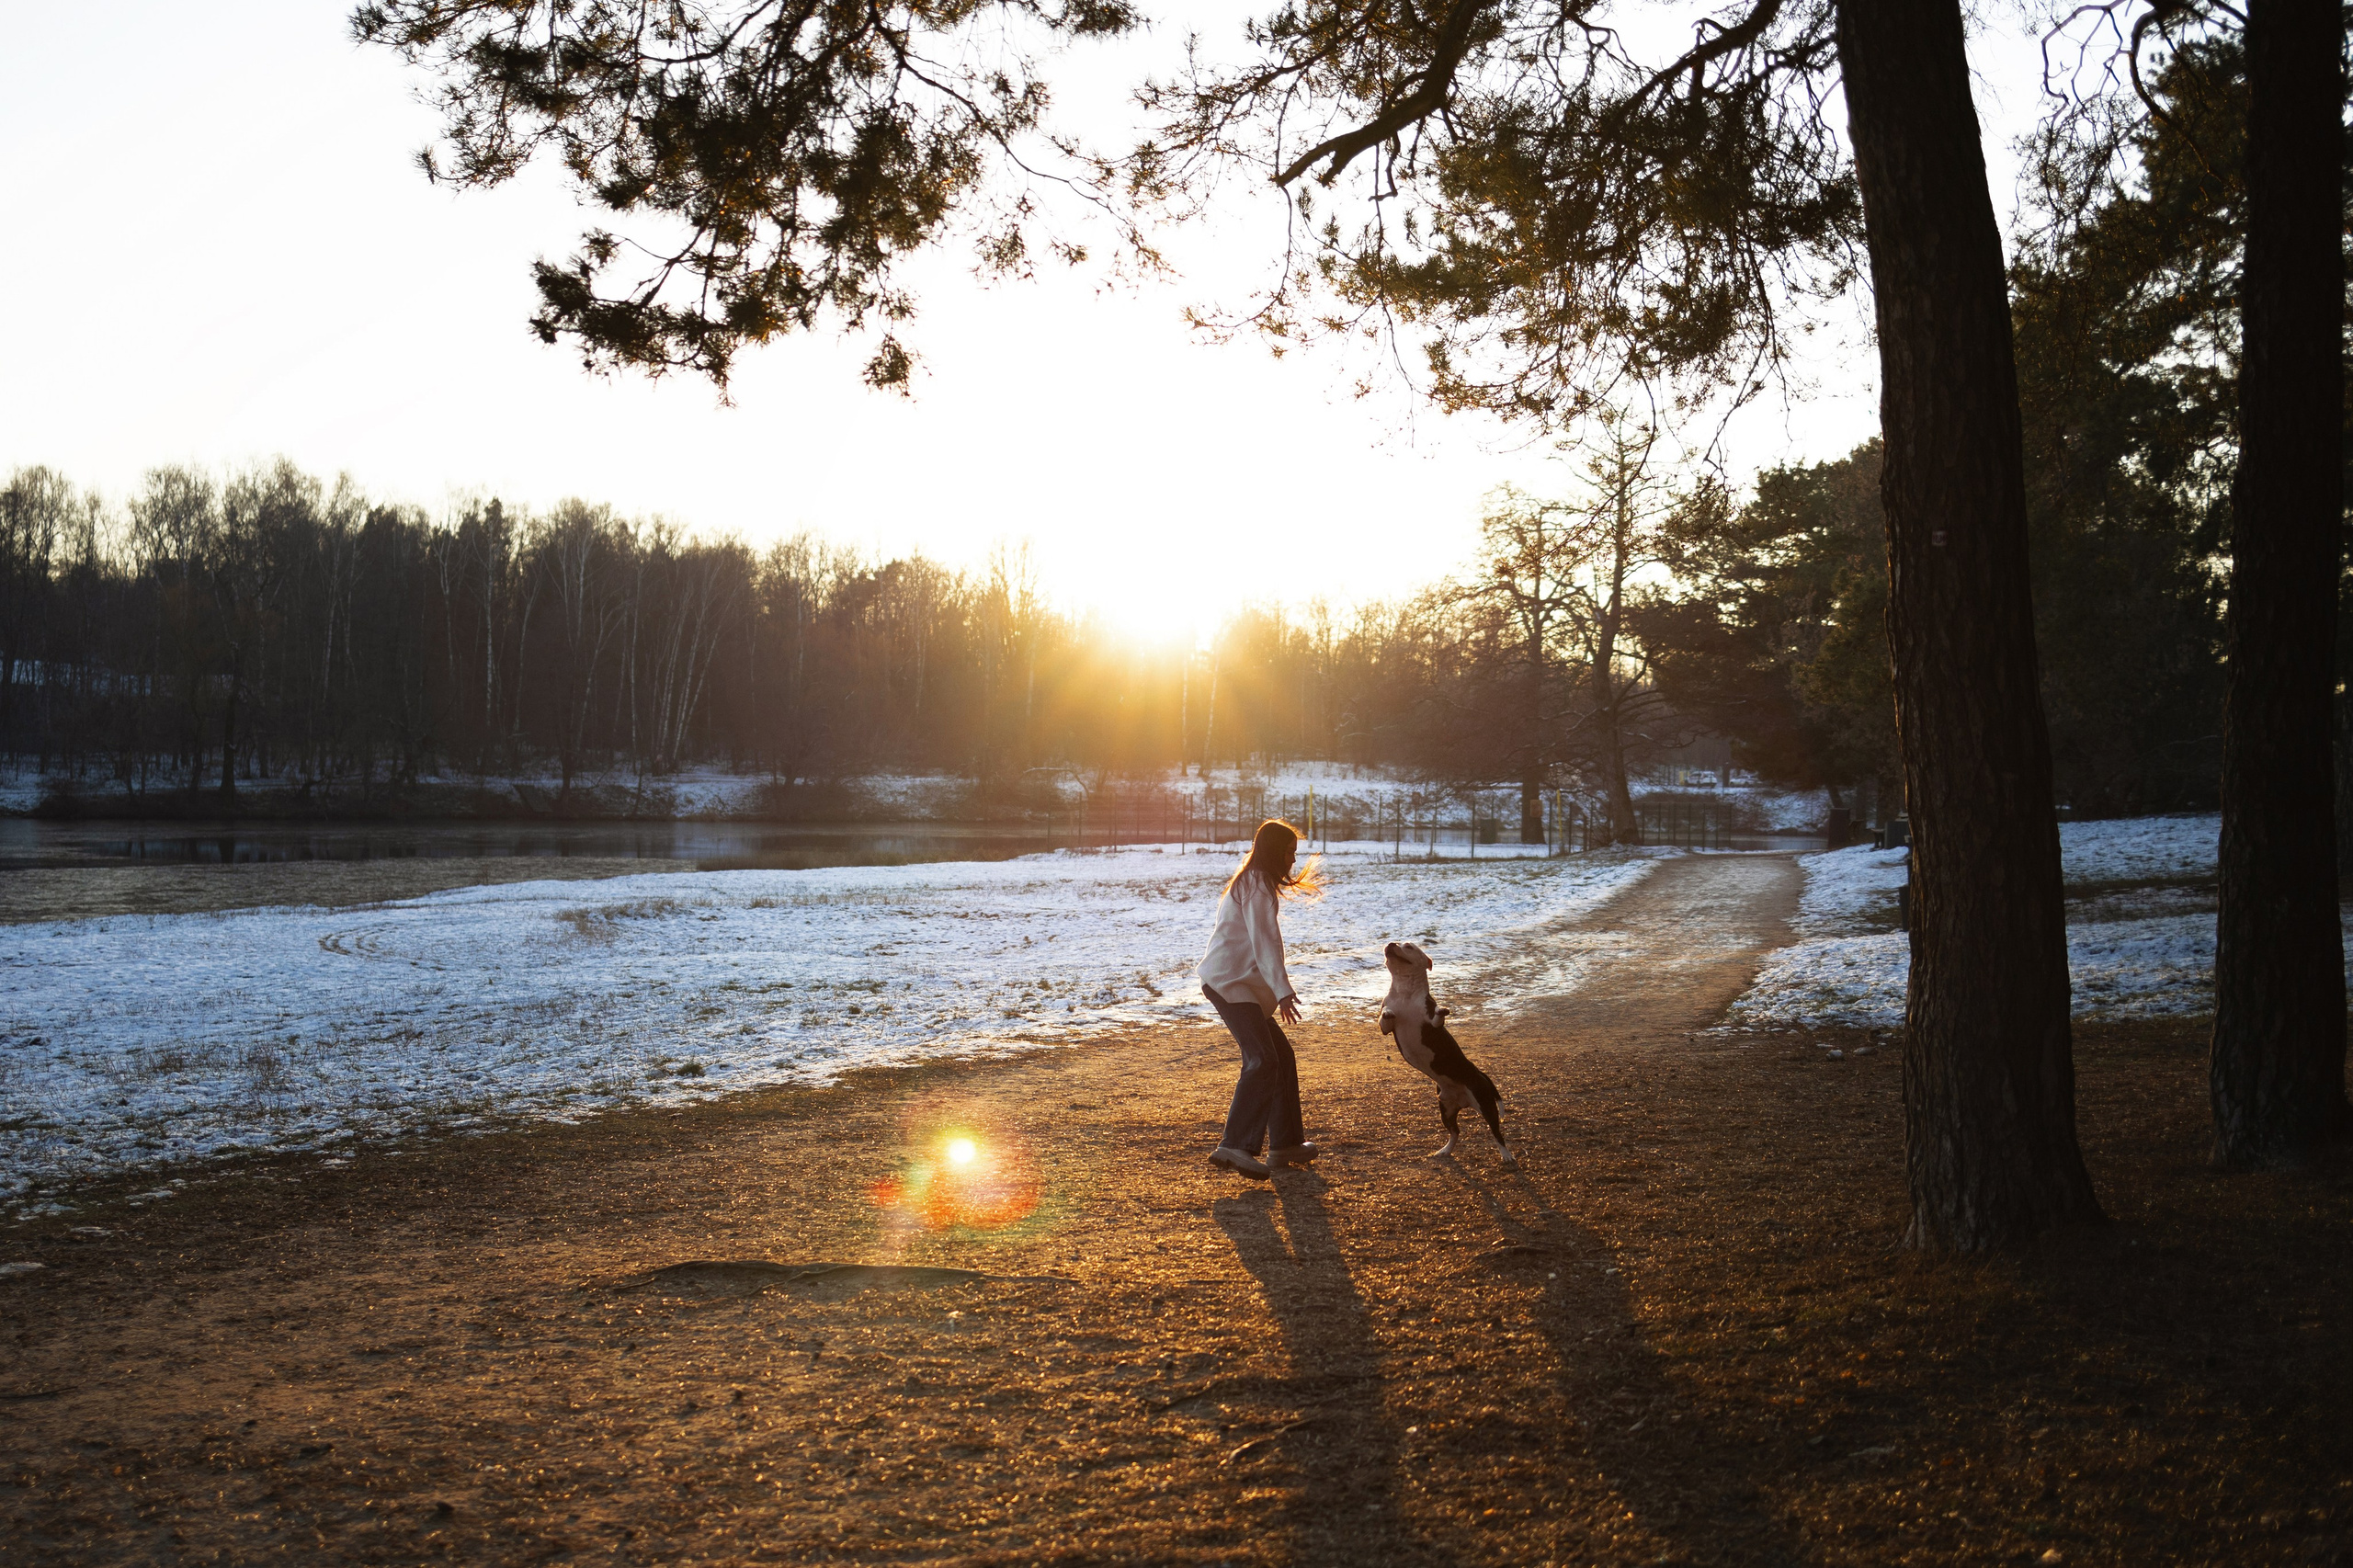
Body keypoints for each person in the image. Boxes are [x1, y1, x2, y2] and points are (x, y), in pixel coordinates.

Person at [1196, 817, 1324, 1177]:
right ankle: (1235, 1145)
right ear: (1272, 852)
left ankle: (1285, 1145)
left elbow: (1263, 945)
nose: (1292, 862)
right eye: (1288, 853)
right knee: (1263, 1059)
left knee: (1280, 1056)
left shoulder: (1257, 882)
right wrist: (1283, 992)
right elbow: (1266, 944)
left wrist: (1277, 991)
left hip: (1243, 986)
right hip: (1228, 983)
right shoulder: (1255, 885)